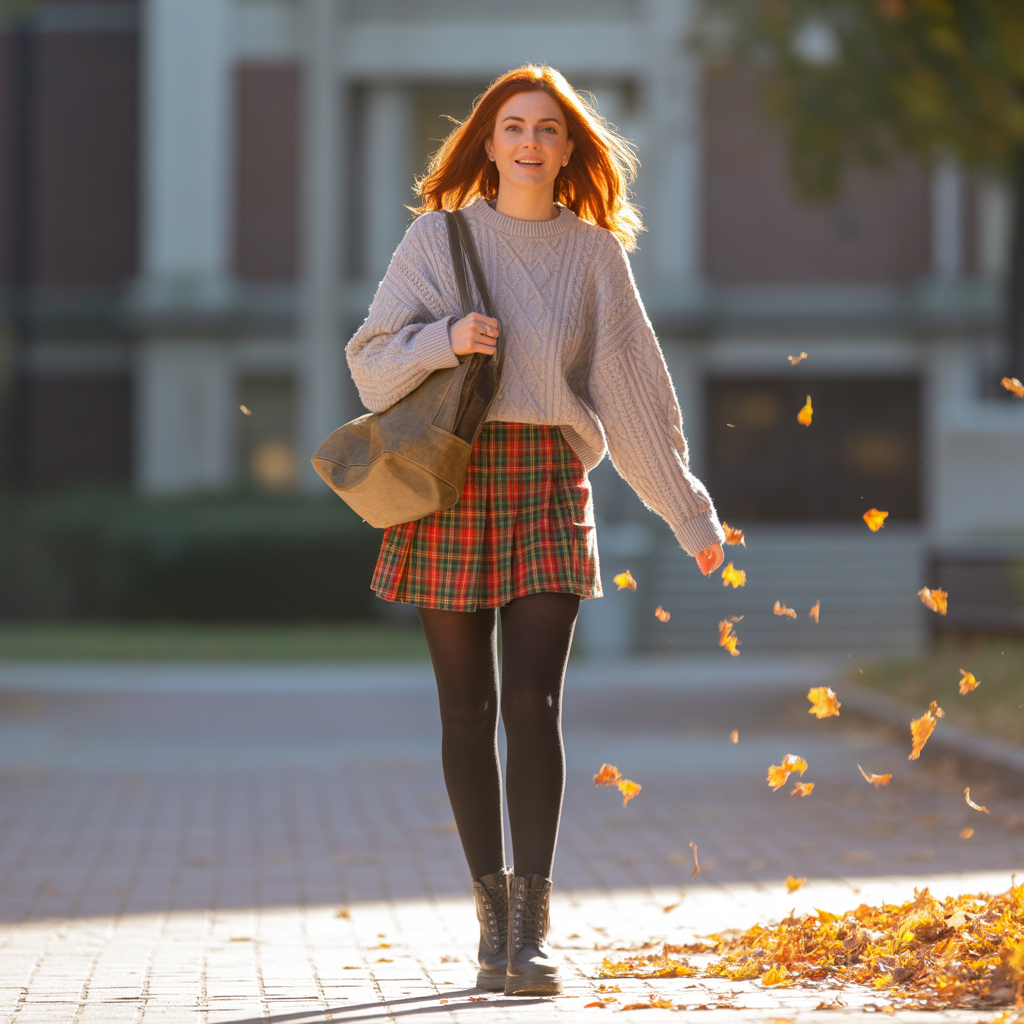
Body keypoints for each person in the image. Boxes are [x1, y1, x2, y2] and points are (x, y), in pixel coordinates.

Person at [345, 65, 725, 997]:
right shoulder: (437, 240)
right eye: (512, 126)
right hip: (453, 482)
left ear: (568, 148)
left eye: (547, 129)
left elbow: (634, 395)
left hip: (547, 482)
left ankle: (533, 928)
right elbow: (368, 363)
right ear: (487, 141)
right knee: (466, 711)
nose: (528, 142)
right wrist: (447, 340)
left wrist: (688, 510)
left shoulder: (595, 256)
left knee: (534, 707)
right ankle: (489, 924)